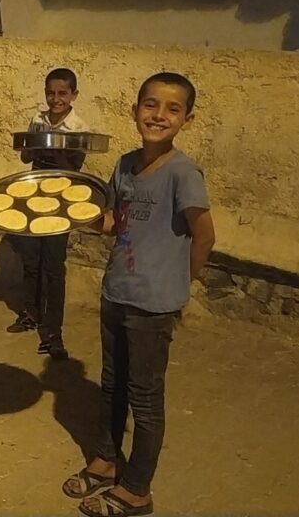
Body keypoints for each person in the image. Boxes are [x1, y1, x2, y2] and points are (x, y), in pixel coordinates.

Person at [64, 73, 215, 517]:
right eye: (150, 105)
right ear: (135, 111)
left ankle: (137, 489)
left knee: (145, 398)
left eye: (172, 109)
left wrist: (179, 287)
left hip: (153, 305)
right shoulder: (125, 165)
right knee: (111, 386)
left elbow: (204, 237)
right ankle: (106, 461)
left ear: (187, 119)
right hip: (117, 292)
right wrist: (70, 211)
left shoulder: (183, 173)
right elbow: (116, 223)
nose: (159, 115)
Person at [7, 68, 90, 360]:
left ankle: (53, 332)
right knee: (31, 260)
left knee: (54, 267)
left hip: (61, 203)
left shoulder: (77, 127)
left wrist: (55, 146)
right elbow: (26, 156)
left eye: (62, 94)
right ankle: (30, 313)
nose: (56, 99)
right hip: (34, 198)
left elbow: (75, 167)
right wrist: (35, 142)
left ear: (73, 96)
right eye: (51, 93)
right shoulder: (37, 121)